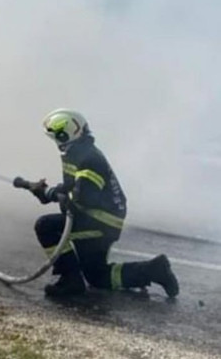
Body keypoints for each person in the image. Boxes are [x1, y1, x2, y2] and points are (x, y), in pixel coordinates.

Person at [25, 109, 179, 299]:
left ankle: (70, 281)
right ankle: (153, 270)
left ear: (64, 134)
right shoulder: (78, 151)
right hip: (99, 218)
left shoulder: (89, 158)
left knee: (45, 226)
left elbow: (84, 197)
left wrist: (54, 195)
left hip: (99, 221)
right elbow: (72, 186)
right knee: (98, 277)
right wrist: (46, 192)